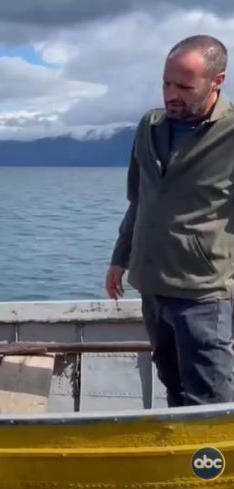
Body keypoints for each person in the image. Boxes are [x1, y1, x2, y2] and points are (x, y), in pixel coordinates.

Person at [106, 34, 234, 406]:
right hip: (151, 285)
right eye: (166, 83)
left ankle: (216, 464)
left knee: (210, 399)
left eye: (184, 86)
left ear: (217, 81)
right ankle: (182, 461)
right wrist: (120, 257)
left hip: (204, 293)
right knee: (172, 384)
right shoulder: (149, 126)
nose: (171, 94)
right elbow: (139, 199)